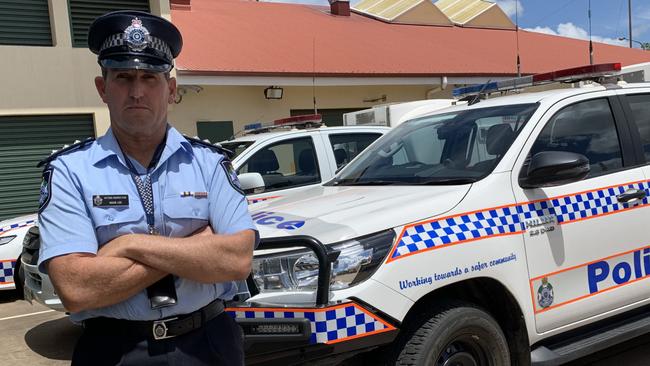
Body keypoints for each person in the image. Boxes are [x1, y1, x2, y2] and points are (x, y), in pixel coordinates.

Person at [37, 10, 257, 366]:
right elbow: (76, 289)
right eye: (123, 77)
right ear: (102, 87)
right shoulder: (69, 172)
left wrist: (127, 245)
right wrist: (195, 249)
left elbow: (236, 260)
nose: (137, 91)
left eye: (150, 78)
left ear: (170, 89)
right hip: (112, 350)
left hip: (208, 344)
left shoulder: (209, 163)